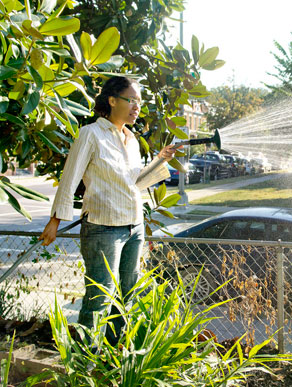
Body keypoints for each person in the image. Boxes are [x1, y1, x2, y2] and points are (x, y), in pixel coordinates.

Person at [40, 75, 176, 343]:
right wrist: (55, 221)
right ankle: (85, 364)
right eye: (132, 100)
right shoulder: (90, 134)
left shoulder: (133, 140)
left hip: (134, 226)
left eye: (139, 102)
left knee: (127, 296)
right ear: (112, 100)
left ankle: (114, 358)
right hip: (103, 227)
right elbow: (70, 178)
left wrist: (160, 160)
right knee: (99, 297)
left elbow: (134, 184)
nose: (137, 107)